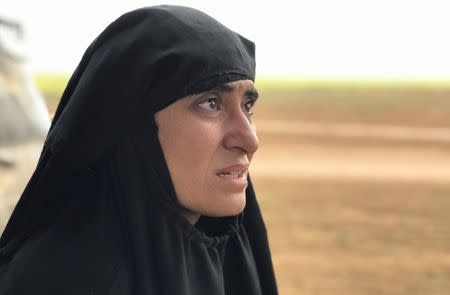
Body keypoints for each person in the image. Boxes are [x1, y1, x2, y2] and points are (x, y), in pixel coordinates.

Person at [0, 5, 278, 295]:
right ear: (134, 129)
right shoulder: (56, 281)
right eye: (211, 103)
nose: (249, 140)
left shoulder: (232, 256)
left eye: (248, 105)